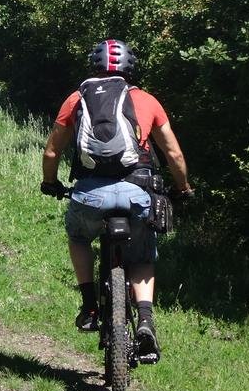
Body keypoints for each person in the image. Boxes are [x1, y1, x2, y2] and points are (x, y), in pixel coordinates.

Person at [40, 39, 193, 363]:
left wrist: (50, 183)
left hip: (90, 194)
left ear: (93, 68)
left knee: (78, 237)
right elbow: (174, 154)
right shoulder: (148, 101)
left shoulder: (77, 98)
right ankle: (146, 322)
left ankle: (89, 306)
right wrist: (183, 188)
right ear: (131, 69)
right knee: (141, 256)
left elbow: (52, 151)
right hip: (138, 193)